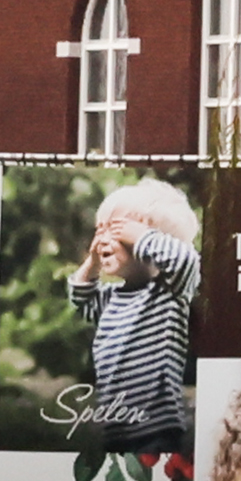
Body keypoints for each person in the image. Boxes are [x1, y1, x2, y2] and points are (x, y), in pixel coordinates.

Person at [73, 181, 200, 453]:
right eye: (101, 230)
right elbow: (81, 297)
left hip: (156, 427)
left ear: (153, 244)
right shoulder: (110, 298)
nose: (103, 239)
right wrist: (93, 261)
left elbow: (186, 259)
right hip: (116, 425)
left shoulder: (169, 293)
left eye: (117, 230)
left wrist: (140, 235)